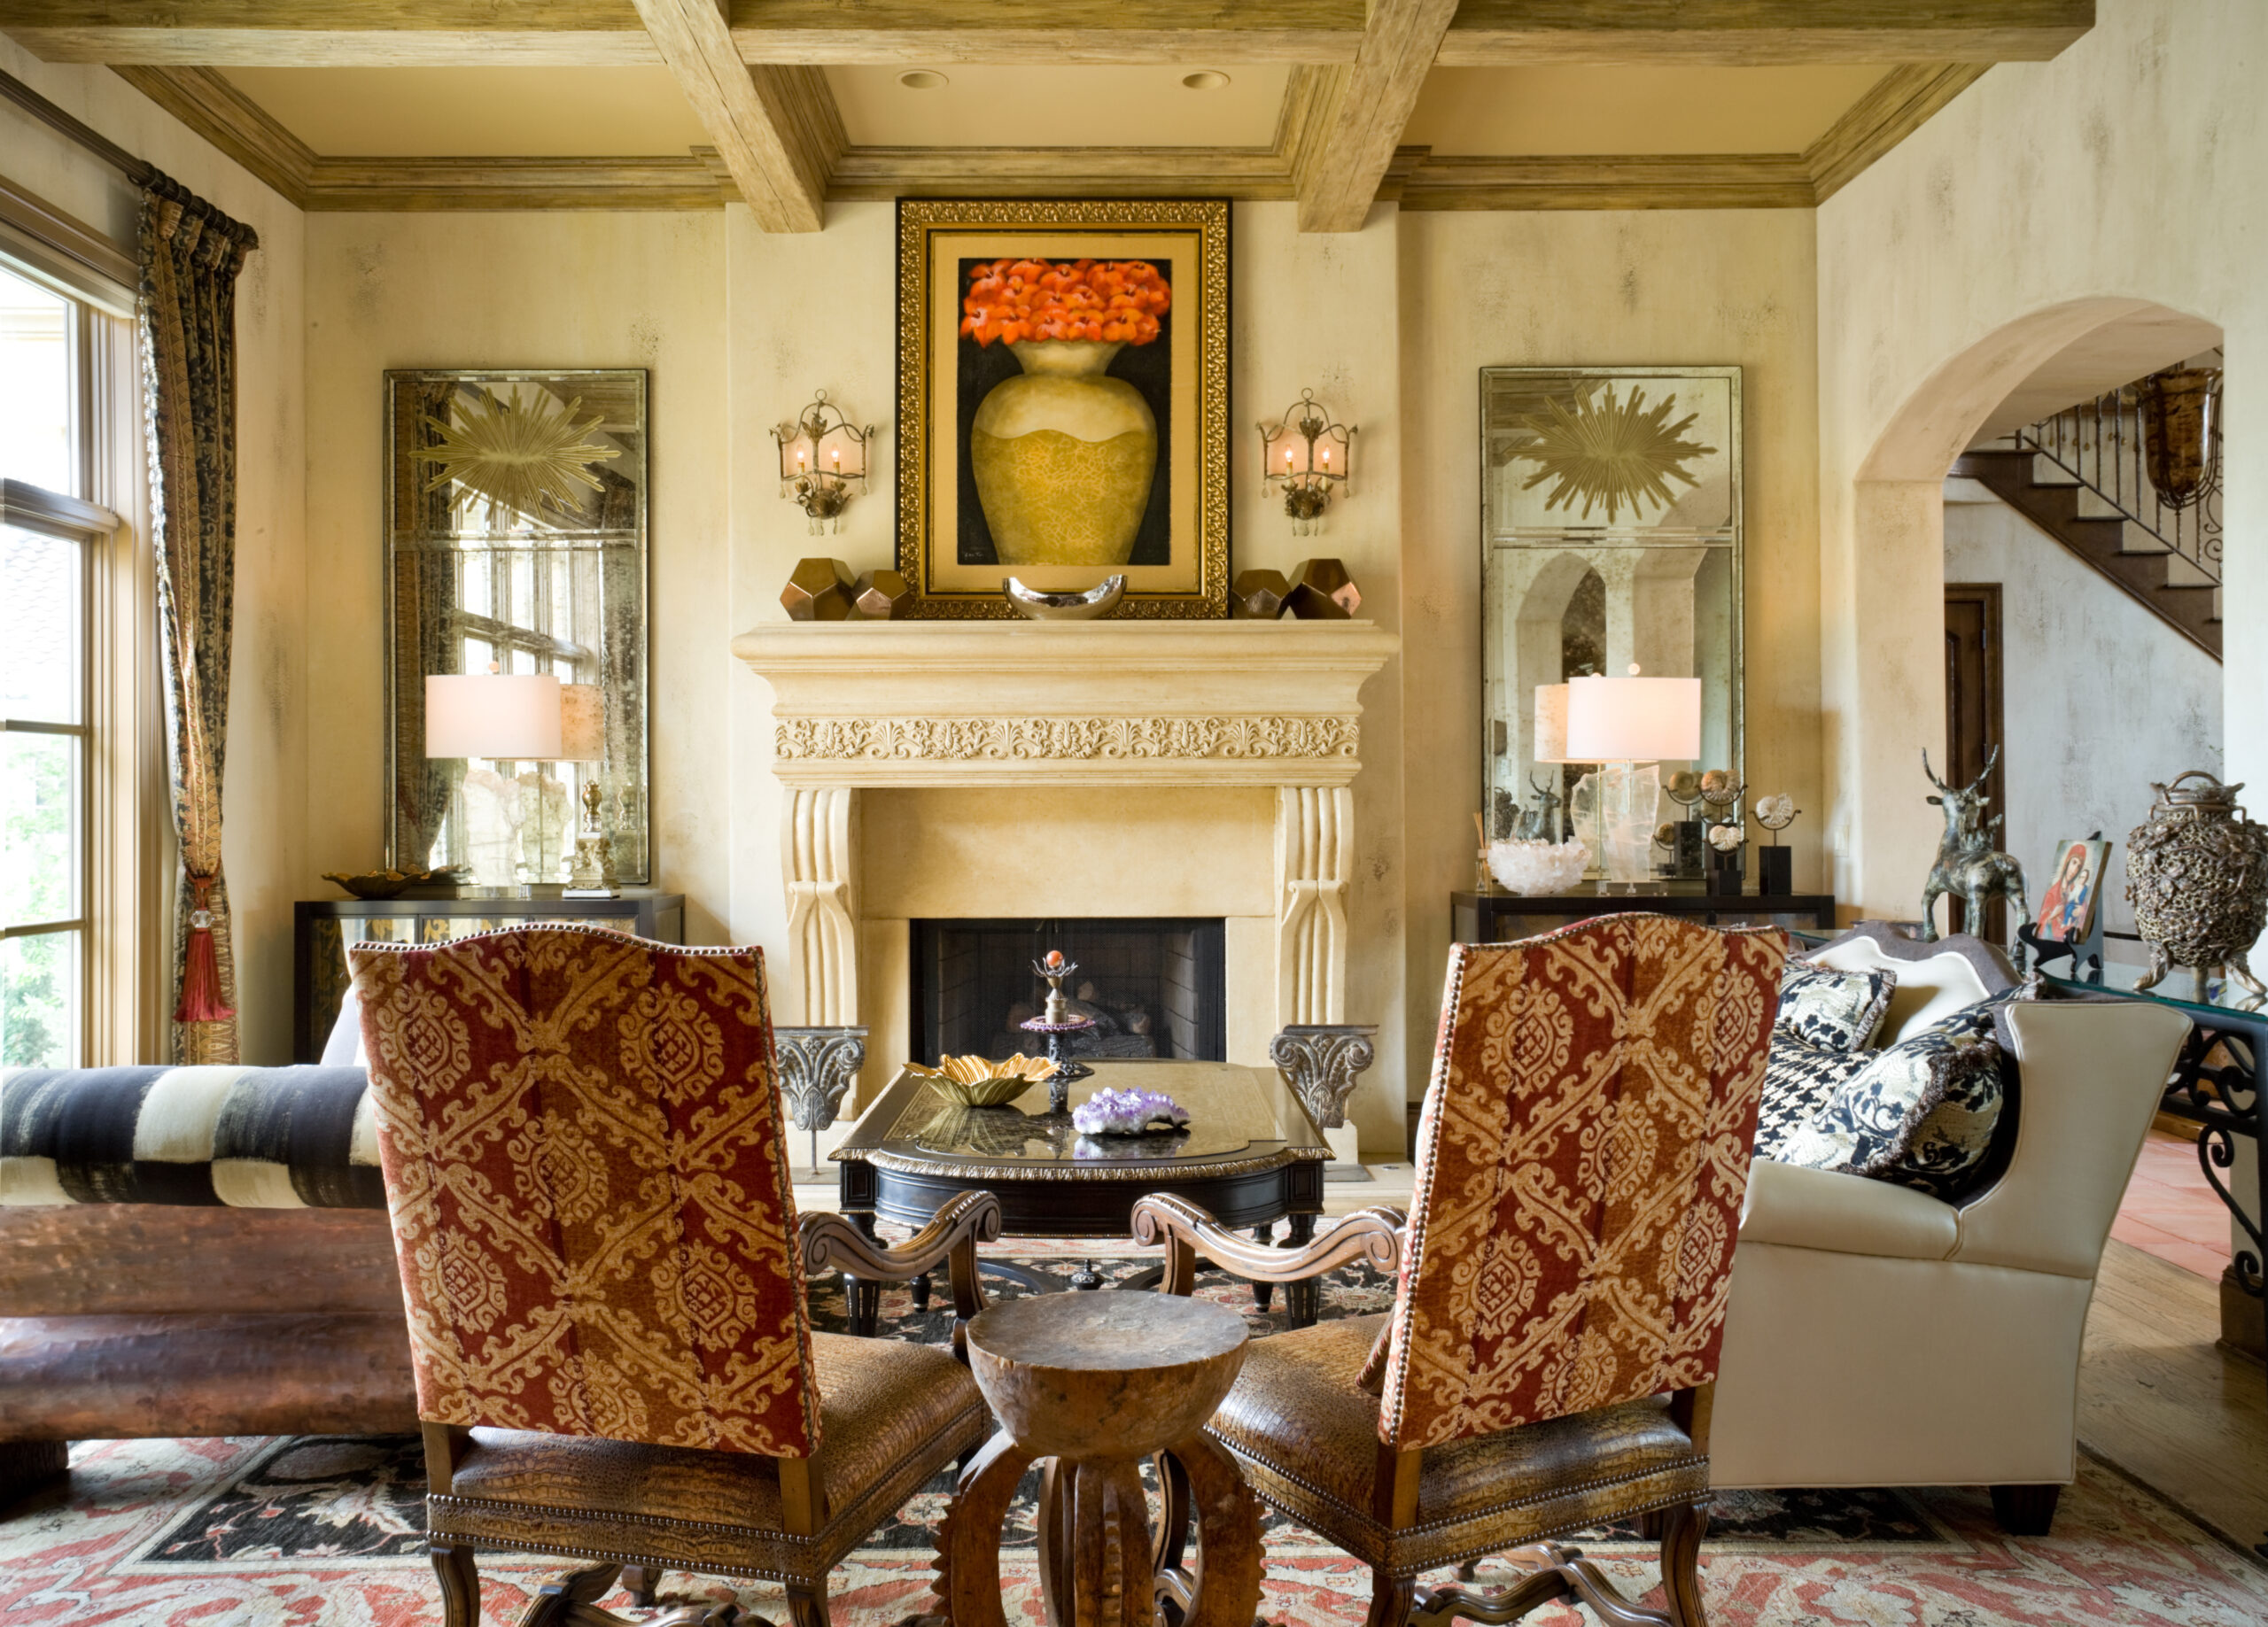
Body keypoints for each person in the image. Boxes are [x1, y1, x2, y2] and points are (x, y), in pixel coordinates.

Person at [2035, 843, 2096, 941]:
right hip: (2056, 941)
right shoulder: (2052, 893)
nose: (2074, 870)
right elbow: (2042, 929)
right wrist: (2053, 915)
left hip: (2071, 939)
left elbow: (2083, 914)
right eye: (2074, 862)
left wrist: (2081, 911)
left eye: (2079, 867)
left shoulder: (2075, 890)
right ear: (2067, 862)